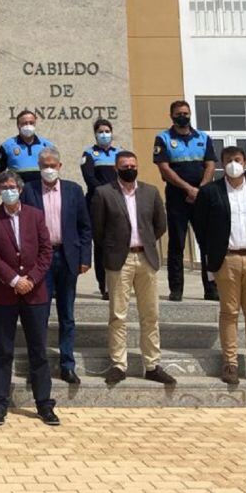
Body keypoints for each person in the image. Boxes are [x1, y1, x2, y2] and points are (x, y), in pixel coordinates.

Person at [0, 170, 59, 427]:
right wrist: (14, 280)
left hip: (35, 294)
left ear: (21, 189)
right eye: (3, 187)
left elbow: (46, 252)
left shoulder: (36, 216)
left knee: (38, 351)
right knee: (3, 351)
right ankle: (0, 403)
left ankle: (44, 405)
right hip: (5, 294)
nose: (8, 190)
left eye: (12, 186)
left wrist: (31, 280)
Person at [91, 152, 175, 386]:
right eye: (124, 166)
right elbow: (98, 230)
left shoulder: (150, 192)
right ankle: (119, 364)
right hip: (120, 260)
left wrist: (145, 243)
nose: (129, 168)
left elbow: (160, 224)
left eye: (133, 165)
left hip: (146, 258)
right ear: (116, 169)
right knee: (118, 315)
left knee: (150, 314)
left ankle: (152, 365)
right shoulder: (104, 193)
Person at [193, 146, 246, 386]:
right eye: (228, 160)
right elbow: (200, 226)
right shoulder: (210, 192)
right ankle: (230, 363)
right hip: (226, 259)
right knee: (229, 313)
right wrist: (210, 256)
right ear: (221, 164)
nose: (233, 164)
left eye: (237, 160)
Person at [20, 147, 92, 386]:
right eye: (44, 166)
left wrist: (85, 258)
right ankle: (38, 368)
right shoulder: (28, 190)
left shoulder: (74, 190)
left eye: (52, 165)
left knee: (67, 315)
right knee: (38, 314)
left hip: (67, 257)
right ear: (38, 168)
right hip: (40, 260)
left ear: (60, 166)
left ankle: (67, 365)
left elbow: (84, 227)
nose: (48, 169)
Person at [153, 100, 217, 301]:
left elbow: (210, 165)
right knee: (176, 244)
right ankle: (176, 289)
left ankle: (211, 288)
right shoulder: (163, 138)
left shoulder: (203, 138)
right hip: (177, 198)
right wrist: (188, 188)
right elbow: (164, 168)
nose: (183, 116)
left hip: (201, 197)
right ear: (171, 116)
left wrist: (200, 189)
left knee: (207, 244)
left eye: (186, 113)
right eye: (179, 113)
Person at [80, 118, 121, 300]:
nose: (104, 134)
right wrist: (106, 193)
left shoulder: (120, 154)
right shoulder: (89, 154)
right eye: (100, 131)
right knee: (101, 245)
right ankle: (104, 285)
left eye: (107, 131)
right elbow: (90, 178)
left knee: (117, 243)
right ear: (95, 134)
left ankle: (119, 283)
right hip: (96, 203)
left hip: (117, 203)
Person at [0, 110, 56, 186]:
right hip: (18, 191)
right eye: (25, 123)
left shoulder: (47, 145)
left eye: (31, 123)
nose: (28, 126)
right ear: (18, 125)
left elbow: (54, 169)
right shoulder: (7, 146)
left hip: (42, 191)